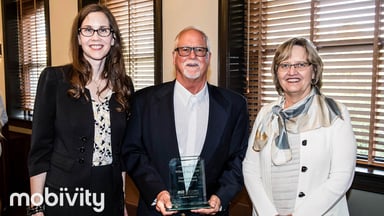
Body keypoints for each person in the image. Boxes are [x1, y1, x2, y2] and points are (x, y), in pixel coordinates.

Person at [122, 26, 249, 216]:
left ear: (208, 58)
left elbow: (239, 158)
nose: (192, 56)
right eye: (185, 50)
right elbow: (132, 152)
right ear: (174, 57)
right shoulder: (143, 101)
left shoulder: (234, 105)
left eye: (199, 50)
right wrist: (157, 192)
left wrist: (221, 196)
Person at [28, 4, 133, 216]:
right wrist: (36, 207)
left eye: (103, 30)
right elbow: (40, 151)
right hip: (65, 195)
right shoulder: (54, 79)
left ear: (113, 38)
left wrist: (121, 203)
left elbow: (121, 154)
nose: (96, 37)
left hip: (109, 195)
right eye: (88, 30)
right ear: (78, 38)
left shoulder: (124, 85)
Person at [243, 37, 357, 216]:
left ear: (314, 71)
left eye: (301, 64)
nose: (292, 71)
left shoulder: (336, 113)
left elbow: (342, 176)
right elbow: (250, 168)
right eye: (284, 65)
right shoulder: (266, 114)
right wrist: (268, 213)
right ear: (277, 72)